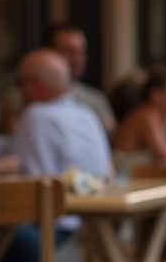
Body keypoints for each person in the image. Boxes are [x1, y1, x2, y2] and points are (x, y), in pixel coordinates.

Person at [1, 23, 116, 139]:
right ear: (49, 52)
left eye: (81, 51)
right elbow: (16, 140)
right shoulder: (22, 94)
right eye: (69, 51)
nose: (78, 58)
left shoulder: (96, 98)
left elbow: (110, 141)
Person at [11, 49, 112, 180]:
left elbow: (32, 180)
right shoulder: (88, 115)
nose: (19, 89)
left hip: (64, 199)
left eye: (20, 82)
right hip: (100, 198)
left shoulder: (36, 115)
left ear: (37, 84)